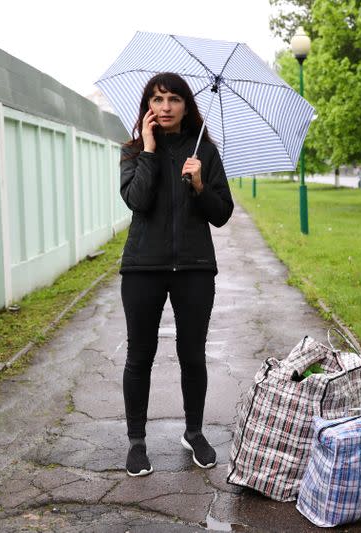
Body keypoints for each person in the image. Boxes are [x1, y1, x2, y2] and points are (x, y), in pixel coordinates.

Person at [119, 72, 234, 477]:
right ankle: (137, 441)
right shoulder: (133, 151)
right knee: (140, 356)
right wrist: (150, 151)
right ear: (148, 106)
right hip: (142, 269)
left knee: (192, 354)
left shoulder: (206, 152)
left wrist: (201, 185)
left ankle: (194, 432)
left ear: (186, 105)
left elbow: (221, 215)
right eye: (157, 99)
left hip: (194, 268)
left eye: (173, 99)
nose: (164, 107)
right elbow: (137, 201)